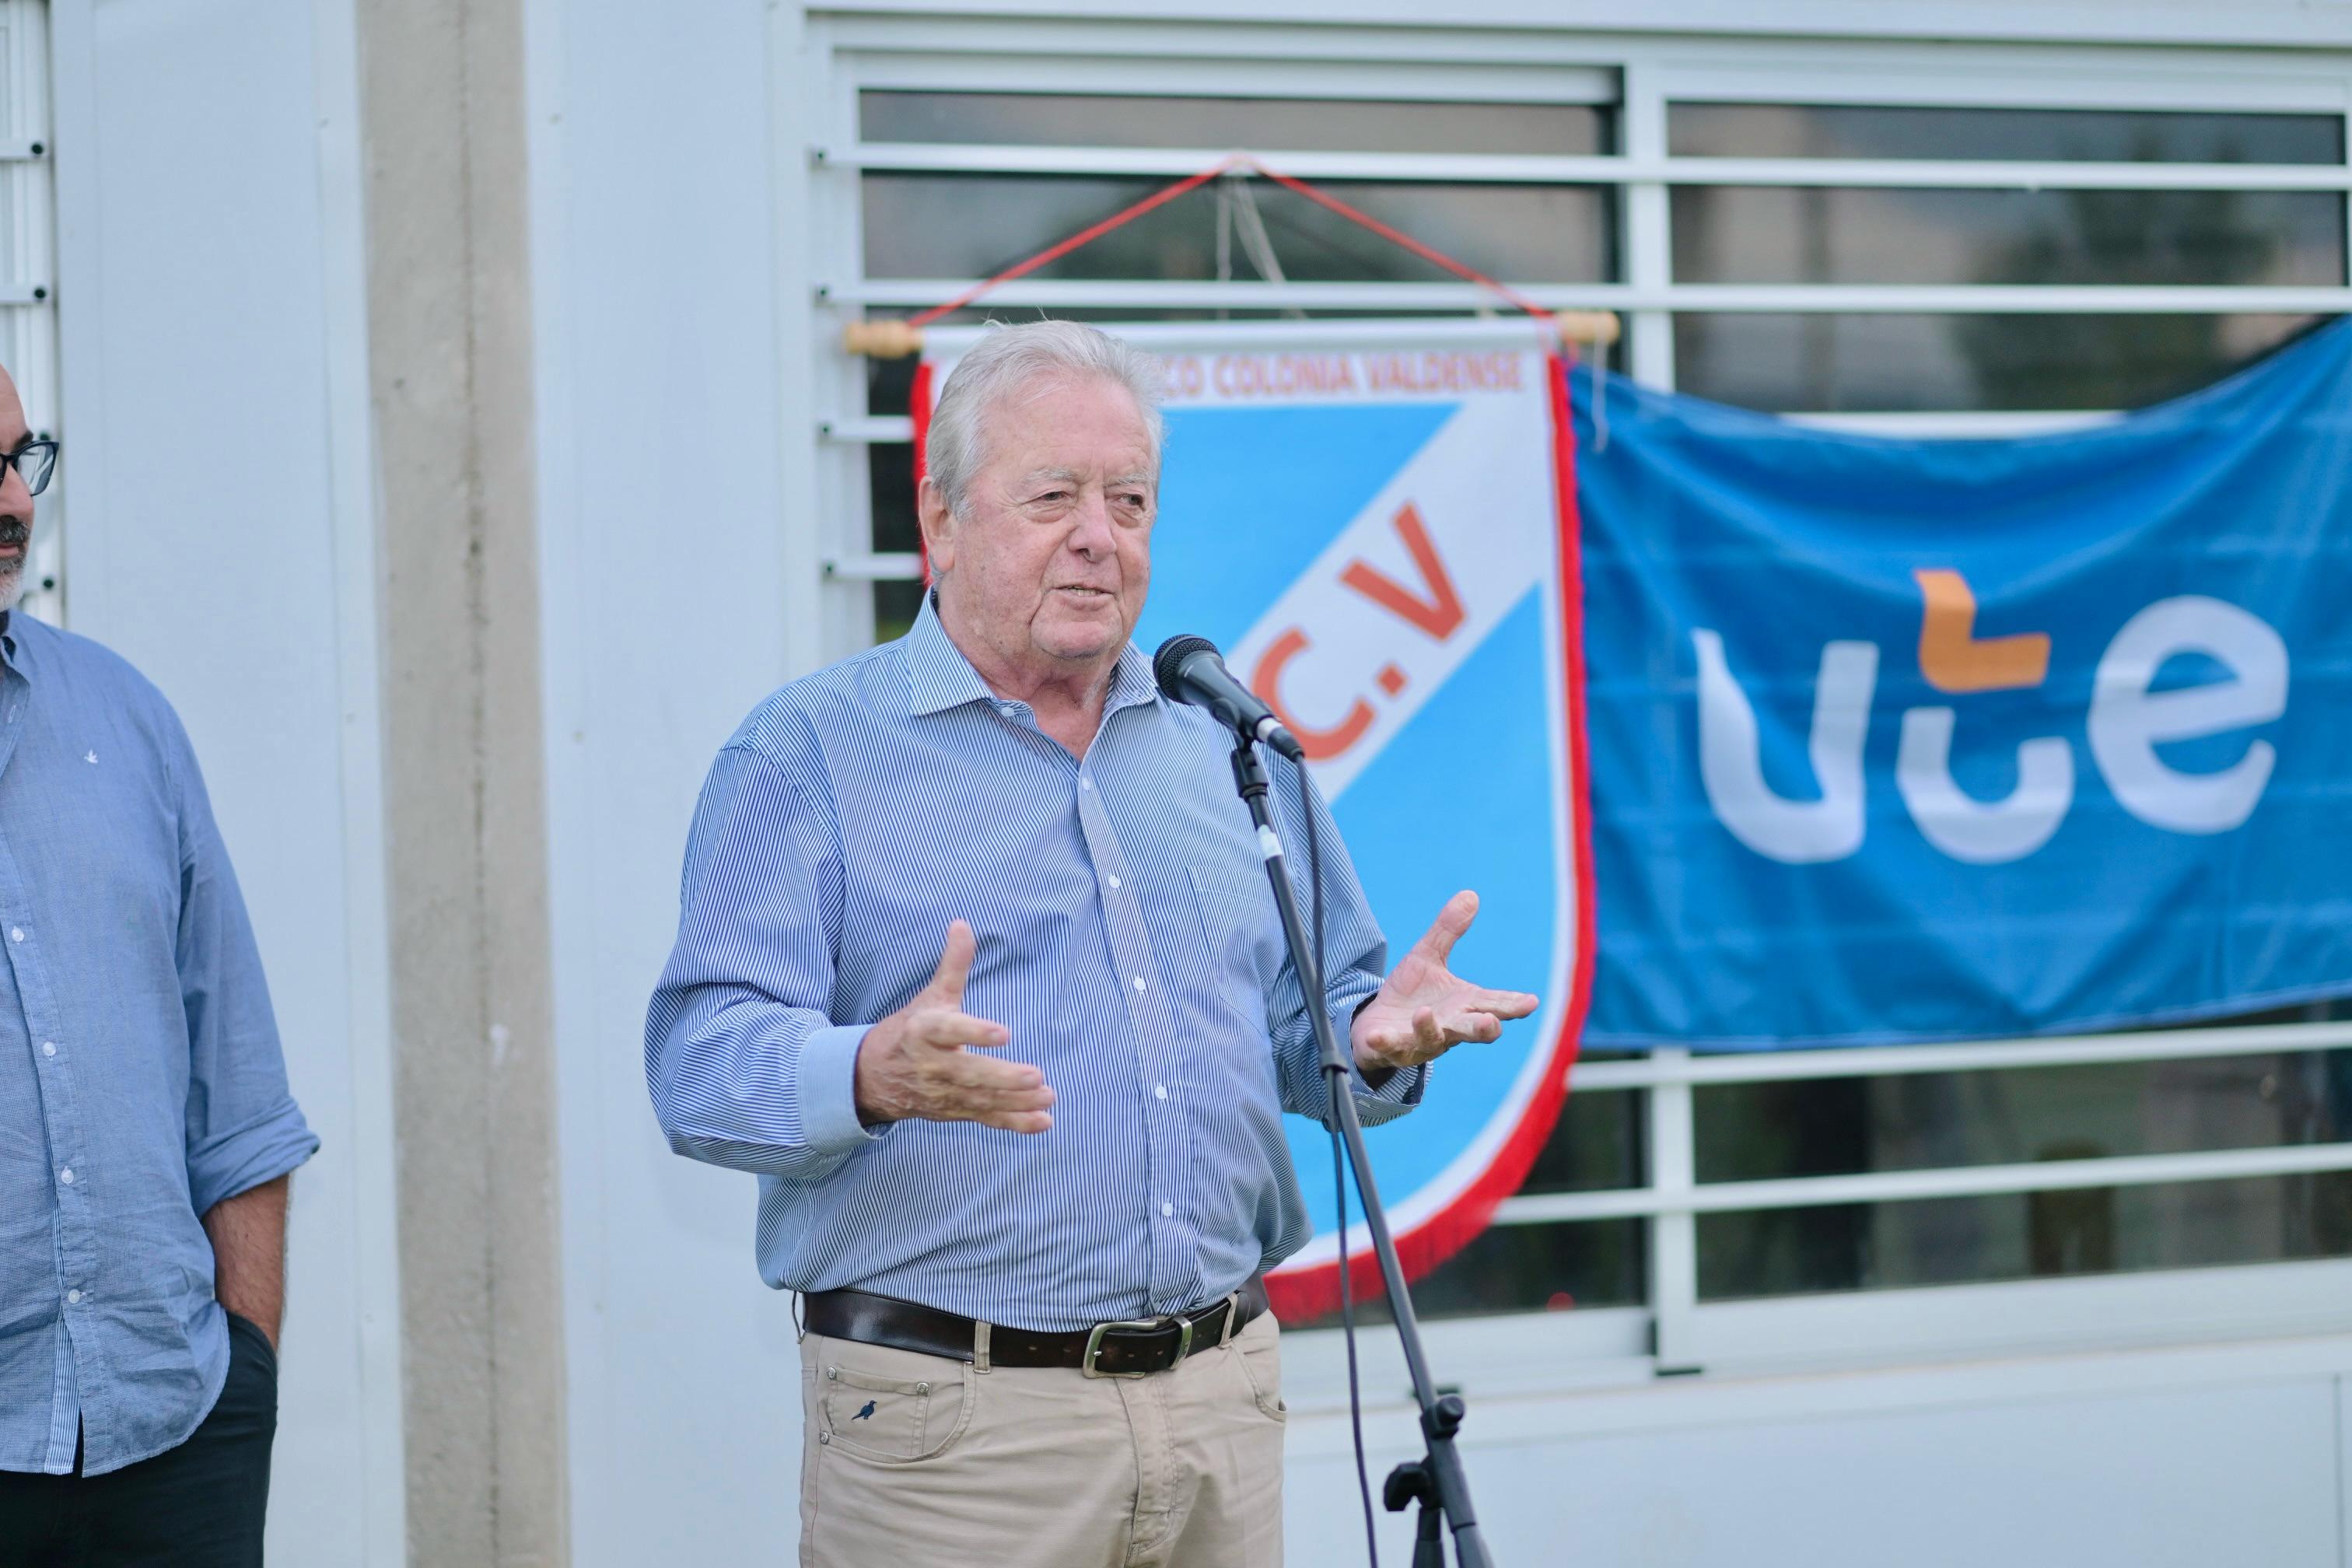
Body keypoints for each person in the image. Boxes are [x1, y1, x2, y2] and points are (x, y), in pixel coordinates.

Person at [646, 320, 1536, 1568]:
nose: (1098, 535)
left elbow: (1312, 1028)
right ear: (943, 520)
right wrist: (867, 1072)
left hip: (1223, 1400)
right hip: (956, 1437)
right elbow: (699, 1066)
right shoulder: (807, 757)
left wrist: (1369, 1038)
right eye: (1052, 496)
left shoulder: (1231, 749)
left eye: (1129, 500)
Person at [0, 360, 317, 1568]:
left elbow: (238, 1096)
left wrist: (247, 1374)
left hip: (177, 1436)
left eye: (22, 461)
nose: (18, 504)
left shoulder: (123, 719)